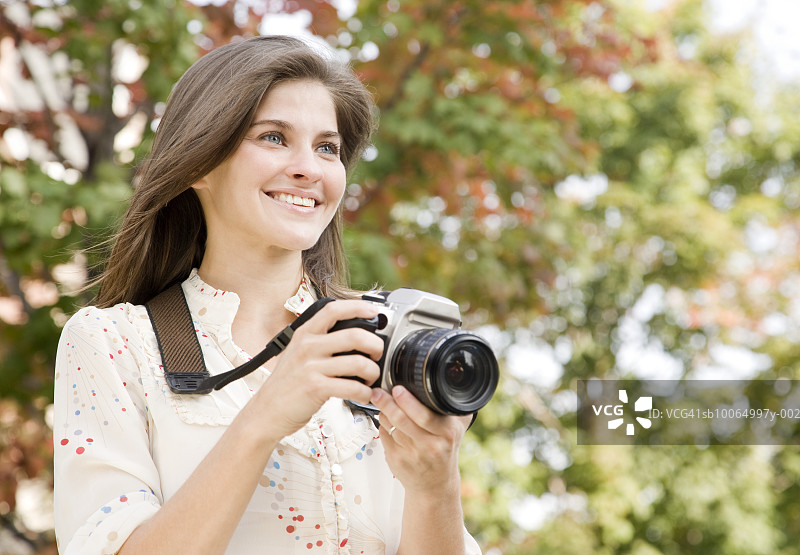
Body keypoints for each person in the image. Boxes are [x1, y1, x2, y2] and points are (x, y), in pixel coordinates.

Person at [53, 35, 481, 554]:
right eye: (273, 137)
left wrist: (438, 487)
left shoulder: (381, 345)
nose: (310, 168)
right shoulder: (113, 344)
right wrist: (266, 414)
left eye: (328, 147)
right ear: (200, 163)